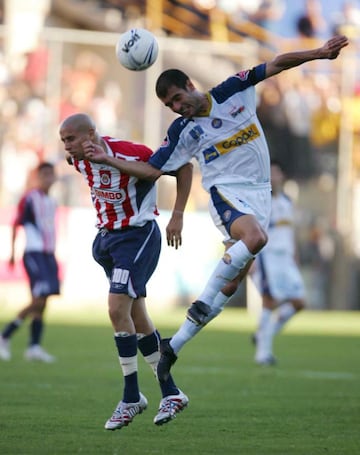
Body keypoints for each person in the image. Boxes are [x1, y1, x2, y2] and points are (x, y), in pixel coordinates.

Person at [82, 35, 348, 385]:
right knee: (255, 238)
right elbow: (153, 171)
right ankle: (180, 335)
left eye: (178, 98)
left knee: (231, 283)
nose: (177, 108)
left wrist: (319, 54)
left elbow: (277, 63)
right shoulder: (182, 131)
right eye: (170, 105)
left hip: (260, 195)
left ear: (190, 86)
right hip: (226, 195)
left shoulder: (232, 91)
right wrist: (108, 160)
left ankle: (172, 347)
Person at [59, 113, 192, 430]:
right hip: (108, 241)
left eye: (71, 139)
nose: (66, 146)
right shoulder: (77, 159)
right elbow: (74, 161)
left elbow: (183, 167)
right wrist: (79, 153)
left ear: (91, 134)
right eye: (63, 140)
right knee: (137, 317)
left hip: (137, 236)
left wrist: (177, 215)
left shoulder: (129, 152)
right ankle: (171, 392)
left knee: (117, 307)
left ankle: (131, 396)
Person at [0, 162, 59, 363]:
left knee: (43, 302)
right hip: (34, 253)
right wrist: (12, 253)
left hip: (49, 255)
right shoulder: (30, 198)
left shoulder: (52, 202)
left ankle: (34, 347)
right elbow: (17, 224)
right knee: (38, 299)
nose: (48, 178)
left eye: (51, 174)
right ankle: (5, 336)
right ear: (37, 176)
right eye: (44, 174)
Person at [250, 160, 306, 365]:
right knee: (270, 301)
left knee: (299, 302)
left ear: (282, 176)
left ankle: (263, 334)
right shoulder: (261, 203)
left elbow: (290, 232)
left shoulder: (288, 202)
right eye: (270, 173)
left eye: (276, 173)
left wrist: (295, 255)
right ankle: (263, 354)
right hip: (268, 257)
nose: (274, 177)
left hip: (287, 259)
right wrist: (252, 259)